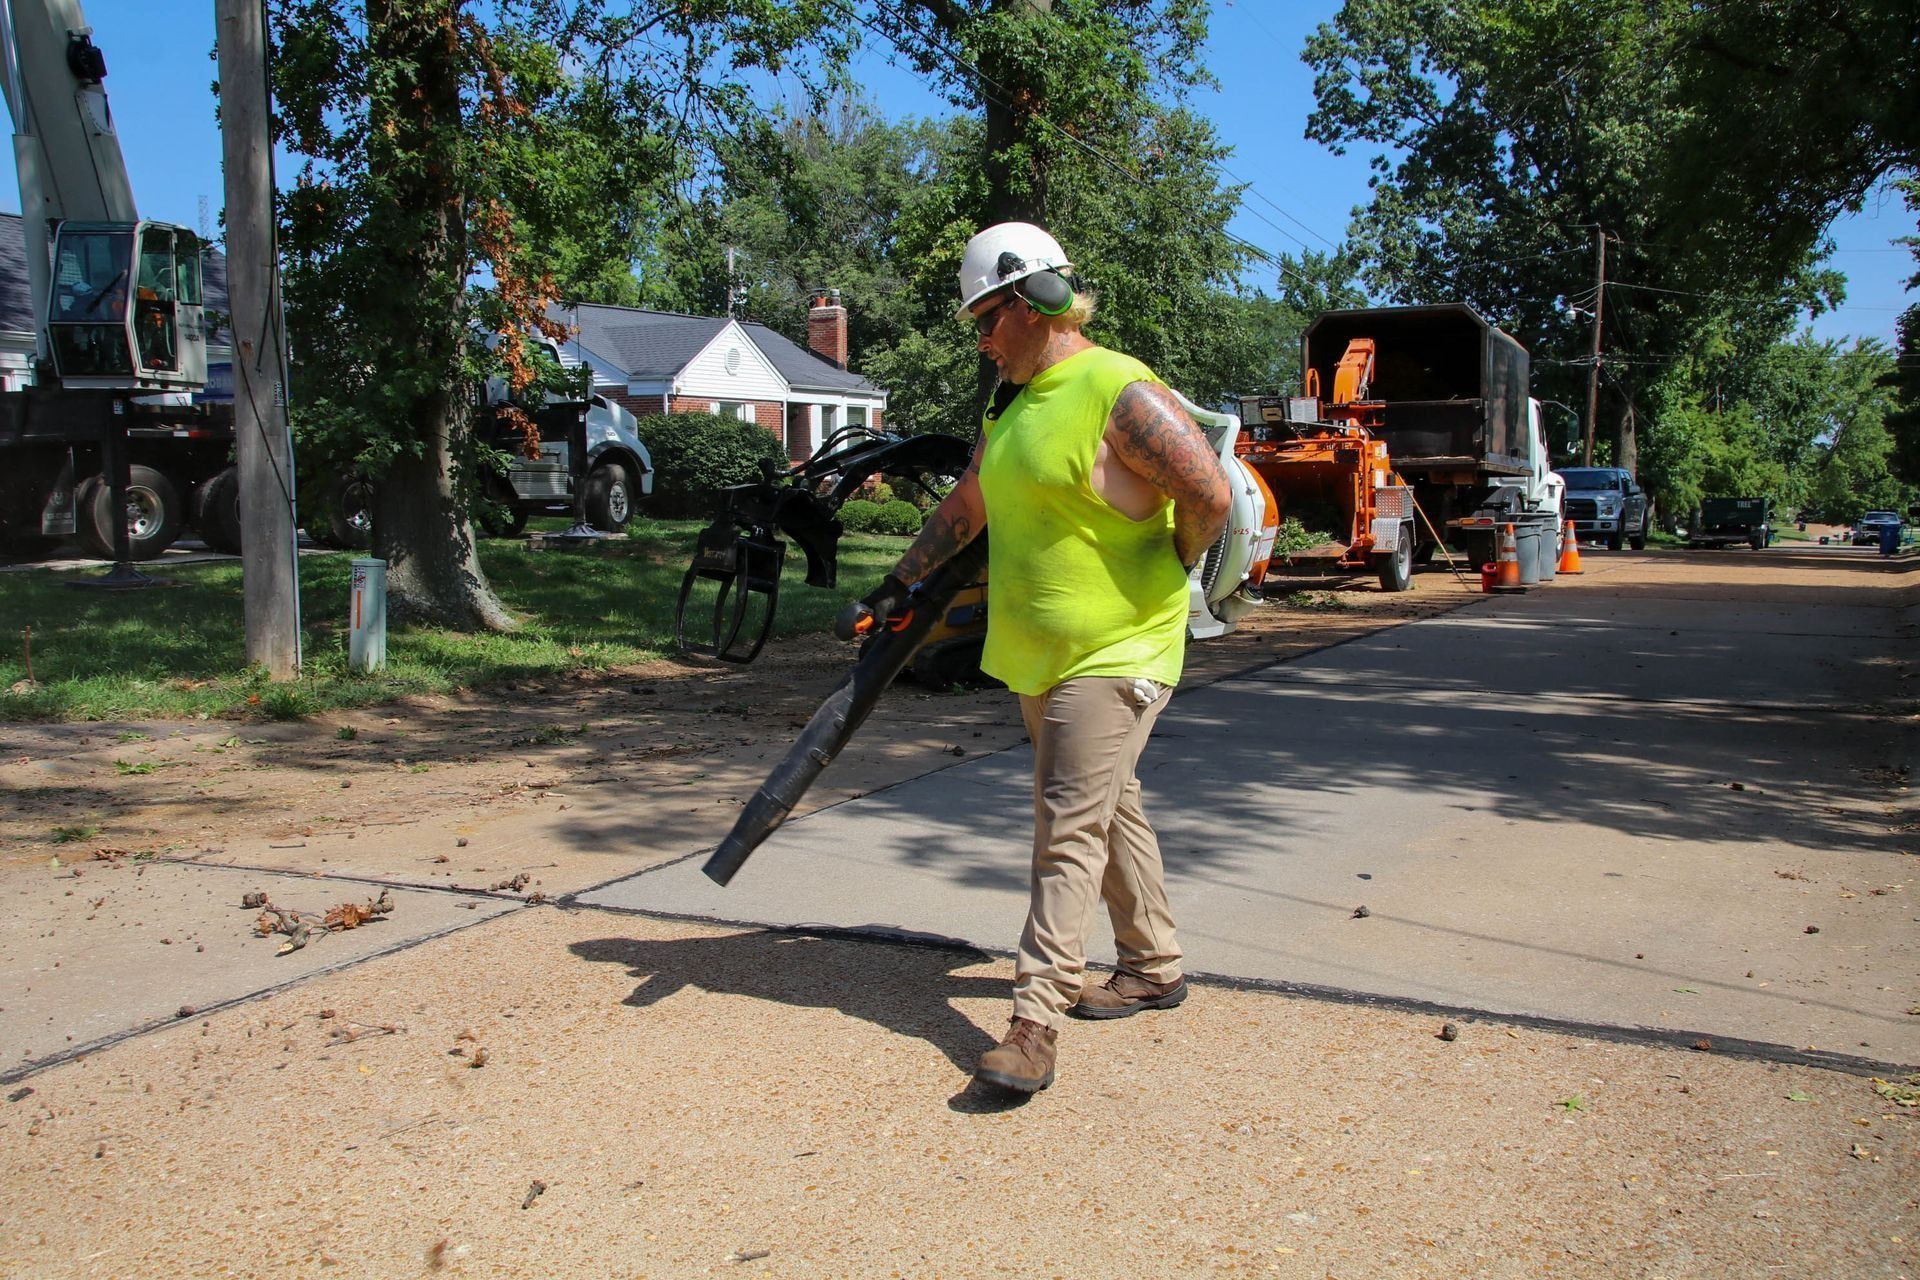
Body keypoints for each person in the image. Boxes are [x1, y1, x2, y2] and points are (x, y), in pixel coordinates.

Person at [856, 221, 1231, 1093]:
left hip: (1120, 645)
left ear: (1036, 302)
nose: (981, 339)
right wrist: (897, 584)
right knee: (1108, 803)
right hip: (1042, 651)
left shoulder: (1118, 389)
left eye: (987, 318)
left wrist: (1173, 563)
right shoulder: (1010, 406)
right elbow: (971, 503)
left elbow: (1207, 491)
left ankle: (1034, 1021)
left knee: (1067, 817)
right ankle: (1154, 964)